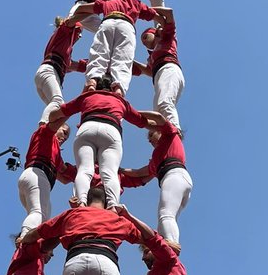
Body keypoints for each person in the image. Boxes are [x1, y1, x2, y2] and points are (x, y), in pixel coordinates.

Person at [46, 77, 162, 208]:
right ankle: (113, 206)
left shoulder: (87, 96)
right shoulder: (120, 101)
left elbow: (54, 115)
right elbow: (142, 122)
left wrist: (51, 120)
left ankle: (81, 203)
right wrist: (165, 129)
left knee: (83, 170)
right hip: (111, 129)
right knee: (110, 173)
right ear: (112, 89)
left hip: (87, 127)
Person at [70, 0, 164, 95]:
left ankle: (92, 81)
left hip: (107, 22)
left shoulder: (107, 3)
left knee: (99, 52)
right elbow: (155, 15)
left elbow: (80, 8)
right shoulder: (134, 3)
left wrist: (73, 19)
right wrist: (165, 26)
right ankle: (119, 88)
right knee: (123, 61)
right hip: (127, 26)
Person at [119, 123, 192, 244]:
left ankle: (172, 244)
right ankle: (169, 242)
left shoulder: (170, 137)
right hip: (179, 178)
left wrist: (135, 116)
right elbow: (138, 173)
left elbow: (160, 120)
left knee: (165, 215)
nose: (149, 140)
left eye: (151, 134)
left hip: (173, 176)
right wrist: (120, 169)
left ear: (160, 132)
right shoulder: (156, 160)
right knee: (168, 217)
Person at [17, 121, 76, 236]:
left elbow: (64, 177)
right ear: (56, 127)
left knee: (41, 219)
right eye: (63, 132)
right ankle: (24, 238)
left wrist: (86, 171)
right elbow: (46, 122)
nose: (64, 138)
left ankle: (29, 241)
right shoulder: (46, 135)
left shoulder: (56, 154)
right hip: (37, 175)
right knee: (39, 213)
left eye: (67, 136)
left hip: (33, 177)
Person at [131, 9, 184, 130]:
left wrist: (143, 9)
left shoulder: (167, 39)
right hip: (159, 75)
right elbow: (148, 71)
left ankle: (175, 132)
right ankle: (163, 138)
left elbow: (169, 13)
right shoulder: (151, 57)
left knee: (164, 103)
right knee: (158, 111)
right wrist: (130, 60)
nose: (143, 41)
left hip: (169, 69)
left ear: (154, 33)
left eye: (145, 36)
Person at [35, 18, 85, 118]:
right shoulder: (62, 33)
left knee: (57, 110)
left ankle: (50, 130)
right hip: (49, 71)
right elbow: (69, 23)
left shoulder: (65, 57)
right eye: (79, 31)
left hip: (46, 75)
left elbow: (80, 66)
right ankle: (42, 130)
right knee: (58, 101)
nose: (80, 36)